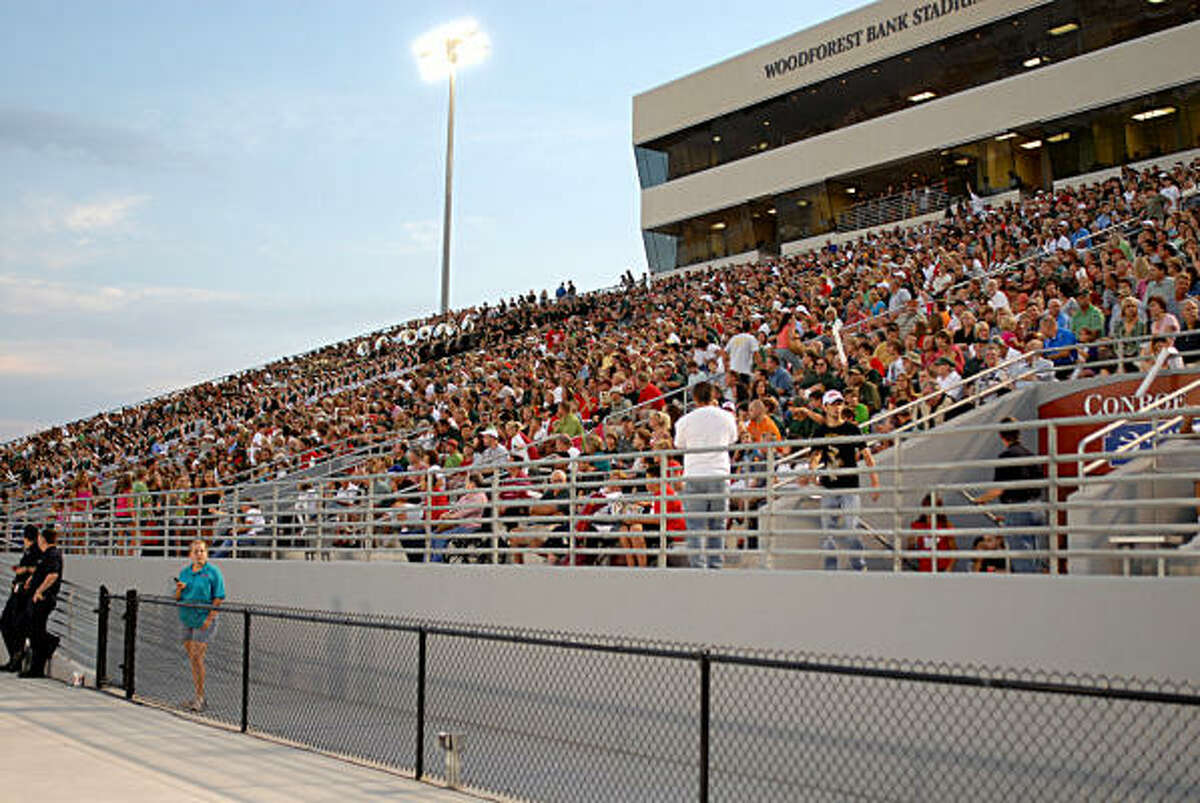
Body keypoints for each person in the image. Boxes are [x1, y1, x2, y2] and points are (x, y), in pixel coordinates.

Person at [808, 390, 879, 570]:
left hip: (849, 486)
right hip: (829, 487)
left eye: (839, 403)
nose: (837, 407)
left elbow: (867, 455)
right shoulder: (820, 432)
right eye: (833, 404)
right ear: (825, 407)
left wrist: (875, 482)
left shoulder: (851, 429)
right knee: (828, 533)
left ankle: (858, 564)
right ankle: (831, 569)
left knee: (851, 529)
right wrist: (813, 471)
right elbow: (815, 456)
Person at [673, 381, 738, 569]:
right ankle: (715, 566)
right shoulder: (726, 417)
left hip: (695, 474)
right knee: (718, 526)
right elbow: (733, 439)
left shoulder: (686, 420)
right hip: (719, 474)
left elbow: (679, 444)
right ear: (714, 396)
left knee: (695, 527)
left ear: (694, 398)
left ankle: (698, 567)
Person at [973, 419, 1047, 573]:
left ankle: (1030, 589)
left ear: (1001, 436)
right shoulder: (1031, 456)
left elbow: (999, 489)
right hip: (1037, 508)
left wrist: (980, 499)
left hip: (1018, 509)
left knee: (1021, 556)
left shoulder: (1006, 457)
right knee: (1036, 553)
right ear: (1019, 433)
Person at [174, 539, 225, 712]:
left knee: (197, 656)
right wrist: (180, 589)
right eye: (196, 551)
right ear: (190, 555)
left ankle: (200, 697)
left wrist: (209, 619)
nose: (199, 554)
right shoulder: (185, 573)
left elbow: (218, 597)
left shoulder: (213, 572)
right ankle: (197, 694)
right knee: (193, 659)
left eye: (202, 551)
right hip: (187, 618)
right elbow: (177, 597)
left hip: (203, 618)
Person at [11, 527, 63, 678]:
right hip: (35, 597)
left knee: (36, 632)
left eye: (40, 538)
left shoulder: (53, 554)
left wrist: (39, 591)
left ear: (43, 540)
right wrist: (30, 580)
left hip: (43, 598)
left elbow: (52, 575)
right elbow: (40, 571)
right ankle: (46, 648)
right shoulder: (46, 555)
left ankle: (38, 666)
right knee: (31, 628)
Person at [1, 525, 40, 671]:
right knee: (7, 623)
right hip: (18, 592)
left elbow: (38, 569)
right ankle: (14, 657)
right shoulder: (30, 551)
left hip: (23, 595)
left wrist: (25, 570)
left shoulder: (36, 551)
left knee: (13, 624)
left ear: (25, 537)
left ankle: (16, 658)